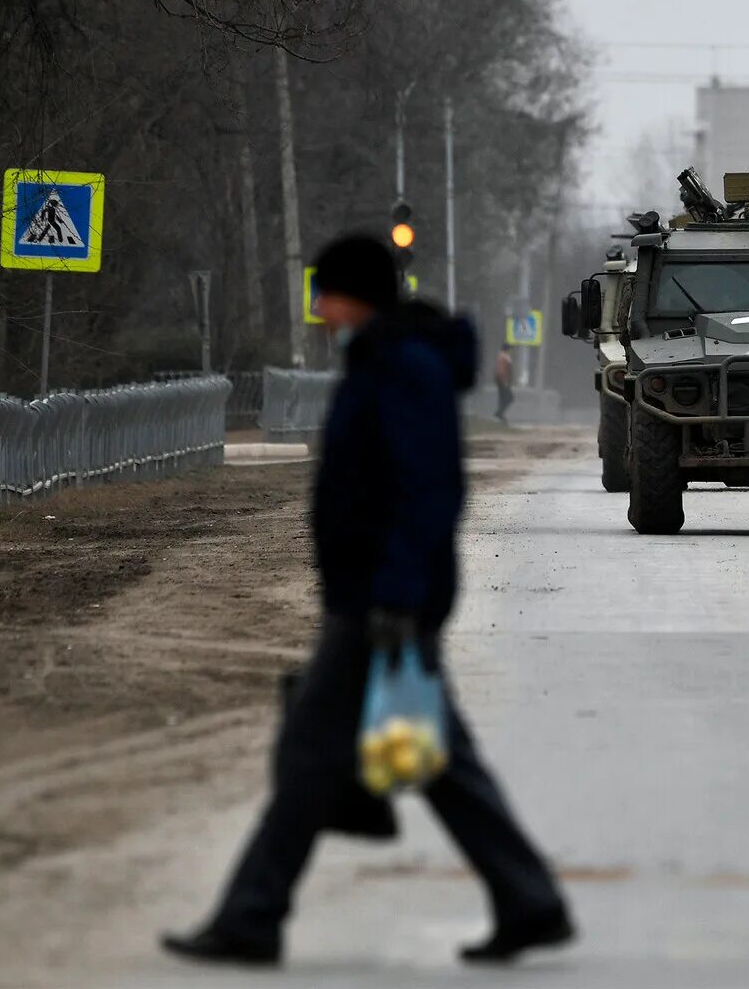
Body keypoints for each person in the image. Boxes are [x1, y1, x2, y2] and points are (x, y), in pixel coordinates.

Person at [161, 235, 573, 968]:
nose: (317, 307)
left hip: (384, 596)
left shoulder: (403, 365)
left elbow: (427, 491)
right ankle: (527, 900)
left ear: (357, 294)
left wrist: (395, 597)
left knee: (312, 751)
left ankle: (251, 917)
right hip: (377, 591)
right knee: (429, 756)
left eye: (326, 291)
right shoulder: (386, 357)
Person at [494, 346, 515, 424]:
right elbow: (502, 371)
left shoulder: (502, 357)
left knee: (503, 398)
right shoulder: (504, 358)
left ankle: (500, 415)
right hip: (503, 381)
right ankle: (499, 413)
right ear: (507, 350)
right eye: (510, 350)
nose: (511, 351)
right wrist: (505, 381)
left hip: (502, 381)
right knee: (509, 398)